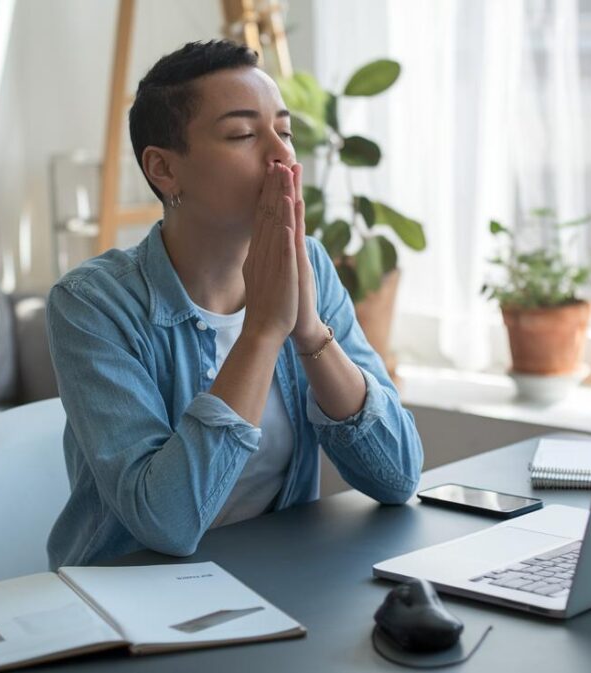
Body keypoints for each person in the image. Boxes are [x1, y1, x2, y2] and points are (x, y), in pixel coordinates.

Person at [46, 40, 423, 568]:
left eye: (285, 132)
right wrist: (263, 332)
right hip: (131, 600)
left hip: (275, 584)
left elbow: (398, 475)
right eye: (244, 134)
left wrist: (310, 333)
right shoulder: (92, 305)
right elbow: (167, 523)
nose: (282, 155)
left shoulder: (308, 264)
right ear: (164, 169)